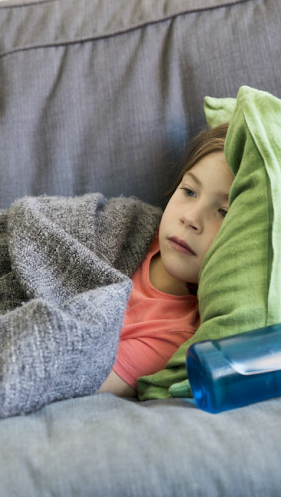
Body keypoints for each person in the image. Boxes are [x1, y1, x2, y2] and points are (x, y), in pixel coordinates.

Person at [98, 123, 233, 397]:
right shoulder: (129, 231)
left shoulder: (172, 334)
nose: (191, 218)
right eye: (190, 191)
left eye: (222, 211)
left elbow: (78, 379)